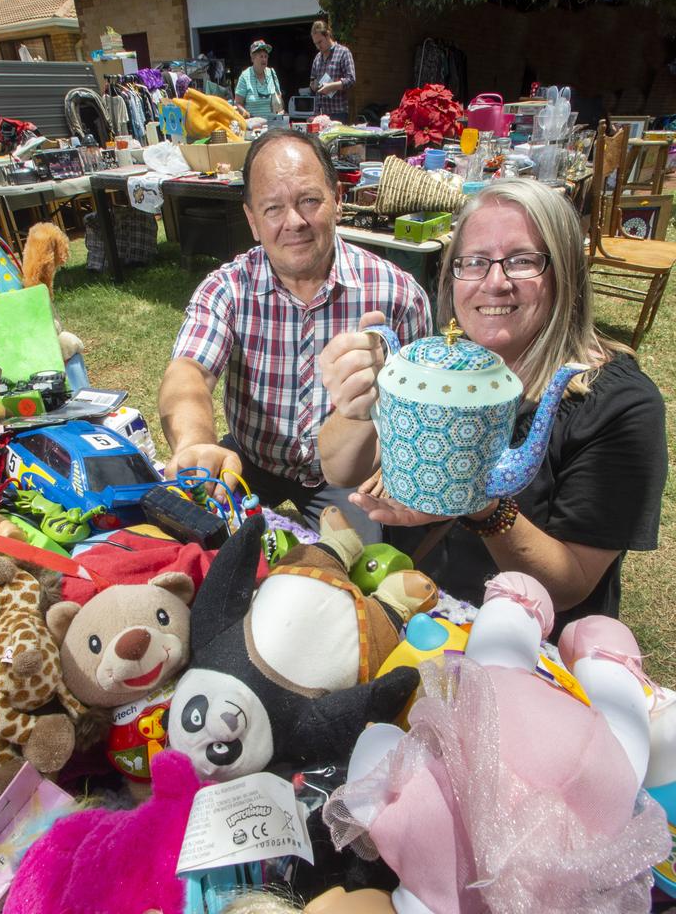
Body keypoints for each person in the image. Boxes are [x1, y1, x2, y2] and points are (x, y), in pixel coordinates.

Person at [318, 178, 667, 637]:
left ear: (565, 272)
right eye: (474, 262)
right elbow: (339, 473)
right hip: (415, 610)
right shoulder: (436, 368)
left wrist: (482, 504)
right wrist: (362, 400)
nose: (494, 282)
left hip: (530, 644)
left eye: (521, 261)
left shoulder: (620, 405)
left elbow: (571, 585)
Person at [158, 128, 431, 543]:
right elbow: (188, 373)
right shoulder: (228, 288)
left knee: (353, 572)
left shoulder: (397, 295)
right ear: (252, 220)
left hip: (345, 474)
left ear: (337, 200)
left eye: (309, 200)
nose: (295, 222)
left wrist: (391, 466)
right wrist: (195, 443)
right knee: (193, 536)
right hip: (252, 458)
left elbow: (418, 411)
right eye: (272, 208)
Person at [309, 20, 356, 125]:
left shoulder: (343, 52)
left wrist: (331, 86)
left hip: (338, 113)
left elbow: (351, 80)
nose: (318, 46)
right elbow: (312, 80)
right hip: (320, 113)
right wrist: (313, 85)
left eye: (320, 42)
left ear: (328, 35)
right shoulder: (317, 58)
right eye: (315, 43)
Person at [234, 40, 283, 119]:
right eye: (261, 56)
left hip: (273, 126)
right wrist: (246, 114)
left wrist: (280, 110)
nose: (264, 59)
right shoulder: (245, 76)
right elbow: (238, 103)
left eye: (266, 56)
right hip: (253, 127)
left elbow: (279, 97)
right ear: (253, 58)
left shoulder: (272, 73)